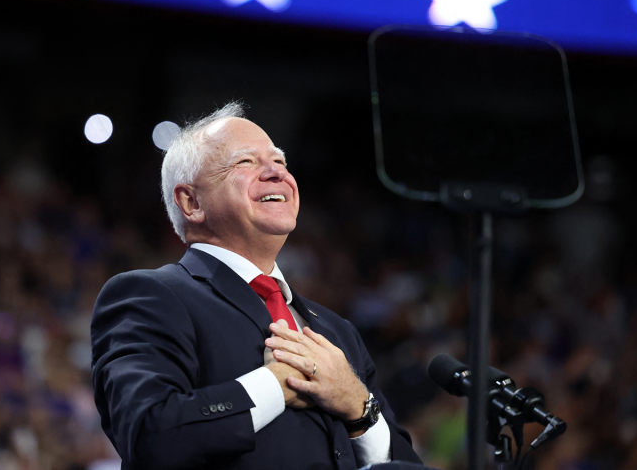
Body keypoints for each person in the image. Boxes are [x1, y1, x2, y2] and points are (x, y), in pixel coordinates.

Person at [90, 103, 422, 469]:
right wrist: (274, 384)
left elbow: (406, 464)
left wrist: (357, 406)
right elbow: (148, 434)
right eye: (245, 162)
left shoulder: (336, 332)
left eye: (279, 161)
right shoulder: (151, 296)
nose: (276, 173)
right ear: (191, 202)